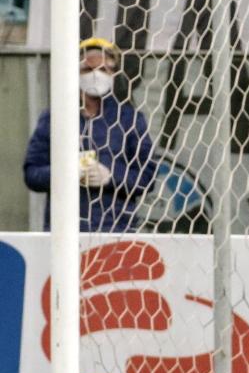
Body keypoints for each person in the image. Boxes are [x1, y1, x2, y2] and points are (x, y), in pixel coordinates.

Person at [24, 37, 158, 232]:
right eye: (88, 69)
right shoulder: (54, 117)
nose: (96, 75)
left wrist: (111, 176)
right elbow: (31, 174)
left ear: (114, 74)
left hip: (116, 232)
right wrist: (64, 173)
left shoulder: (130, 119)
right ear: (75, 73)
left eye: (104, 70)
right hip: (63, 232)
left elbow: (147, 178)